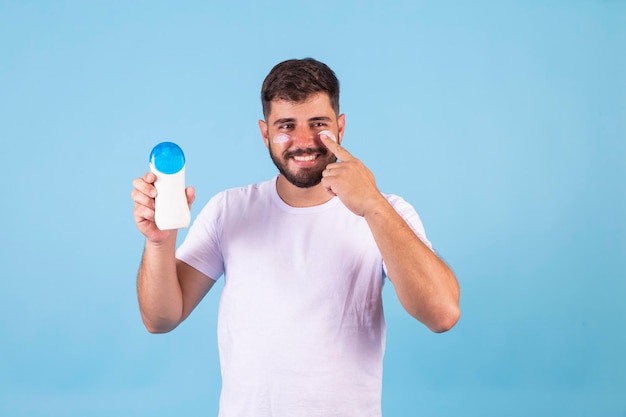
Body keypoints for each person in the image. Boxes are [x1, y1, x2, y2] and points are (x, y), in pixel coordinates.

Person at [131, 58, 460, 417]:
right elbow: (160, 319)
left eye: (318, 124)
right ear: (264, 133)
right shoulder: (229, 209)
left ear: (341, 126)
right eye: (286, 125)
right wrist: (160, 243)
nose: (304, 142)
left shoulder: (387, 211)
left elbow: (442, 314)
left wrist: (373, 205)